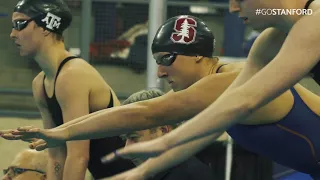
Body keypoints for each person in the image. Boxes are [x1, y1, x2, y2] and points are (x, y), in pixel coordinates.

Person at [1, 11, 318, 178]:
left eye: (168, 59)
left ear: (198, 56)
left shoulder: (227, 82)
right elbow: (187, 138)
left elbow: (147, 112)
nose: (161, 72)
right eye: (157, 62)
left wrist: (65, 130)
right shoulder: (222, 96)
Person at [7, 0, 135, 179]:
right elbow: (57, 154)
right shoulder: (40, 84)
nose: (13, 34)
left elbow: (79, 156)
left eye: (20, 24)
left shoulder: (72, 75)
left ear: (46, 26)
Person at [108, 89, 214, 180]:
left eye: (134, 138)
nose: (127, 147)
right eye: (125, 139)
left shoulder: (187, 175)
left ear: (163, 131)